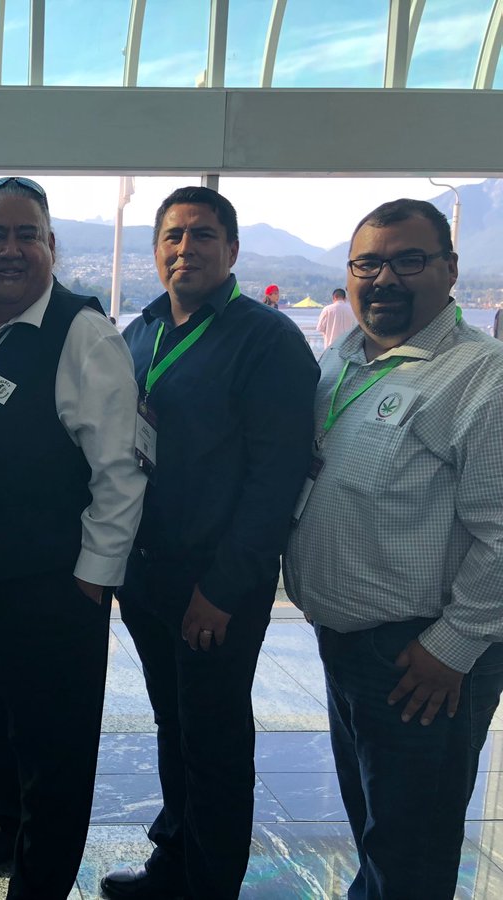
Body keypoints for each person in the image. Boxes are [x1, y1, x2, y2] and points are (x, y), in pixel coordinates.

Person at [0, 176, 146, 898]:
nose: (10, 249)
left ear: (51, 246)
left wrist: (92, 579)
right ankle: (6, 831)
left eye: (26, 235)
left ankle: (40, 883)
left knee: (54, 749)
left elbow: (120, 470)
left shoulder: (81, 334)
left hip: (50, 589)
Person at [102, 186, 317, 900]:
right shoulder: (140, 333)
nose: (184, 249)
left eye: (201, 235)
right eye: (172, 236)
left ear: (231, 250)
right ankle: (174, 862)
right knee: (174, 725)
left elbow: (276, 478)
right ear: (155, 250)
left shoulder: (266, 340)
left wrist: (223, 589)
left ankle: (209, 883)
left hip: (216, 583)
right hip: (147, 575)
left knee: (215, 740)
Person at [285, 198, 503, 900]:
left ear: (449, 270)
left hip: (422, 659)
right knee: (379, 830)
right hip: (350, 646)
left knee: (412, 852)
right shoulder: (344, 359)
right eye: (368, 263)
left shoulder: (482, 377)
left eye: (408, 261)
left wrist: (453, 646)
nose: (384, 279)